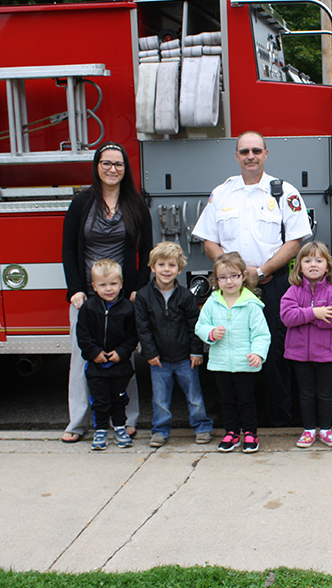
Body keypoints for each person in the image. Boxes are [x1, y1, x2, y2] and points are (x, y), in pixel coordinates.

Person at [191, 131, 312, 428]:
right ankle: (239, 424)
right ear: (236, 156)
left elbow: (295, 242)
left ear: (266, 153)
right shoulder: (222, 193)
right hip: (231, 291)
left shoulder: (284, 192)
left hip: (271, 287)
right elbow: (208, 241)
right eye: (244, 151)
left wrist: (260, 272)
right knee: (231, 354)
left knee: (273, 357)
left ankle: (278, 423)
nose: (250, 156)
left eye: (256, 150)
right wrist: (233, 273)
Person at [61, 142, 151, 443]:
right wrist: (75, 289)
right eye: (106, 163)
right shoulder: (81, 204)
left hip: (121, 297)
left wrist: (137, 289)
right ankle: (77, 423)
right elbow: (69, 248)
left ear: (126, 169)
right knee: (83, 360)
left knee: (124, 359)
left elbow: (145, 250)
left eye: (119, 164)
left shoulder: (136, 205)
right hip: (87, 297)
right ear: (97, 166)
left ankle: (125, 421)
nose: (113, 169)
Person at [135, 241, 214, 448]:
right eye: (161, 265)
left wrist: (196, 351)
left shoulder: (185, 296)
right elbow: (143, 328)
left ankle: (202, 427)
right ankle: (160, 431)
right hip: (158, 359)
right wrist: (150, 353)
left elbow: (194, 326)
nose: (166, 270)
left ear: (179, 269)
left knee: (194, 396)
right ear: (152, 267)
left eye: (171, 265)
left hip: (184, 358)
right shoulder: (144, 296)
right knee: (160, 399)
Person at [196, 252, 271, 453]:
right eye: (223, 277)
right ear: (217, 279)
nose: (229, 282)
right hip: (220, 363)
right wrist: (211, 333)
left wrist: (258, 353)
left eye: (234, 276)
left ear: (243, 276)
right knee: (226, 401)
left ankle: (250, 433)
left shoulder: (251, 304)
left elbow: (261, 334)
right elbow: (200, 326)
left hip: (245, 363)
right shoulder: (212, 302)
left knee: (246, 400)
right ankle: (231, 432)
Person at [280, 242, 332, 448]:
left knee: (326, 394)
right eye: (307, 261)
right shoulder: (293, 291)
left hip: (326, 353)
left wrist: (304, 315)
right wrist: (315, 313)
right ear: (299, 266)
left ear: (327, 266)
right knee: (305, 394)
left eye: (319, 260)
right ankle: (308, 430)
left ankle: (325, 430)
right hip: (299, 354)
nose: (313, 264)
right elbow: (287, 317)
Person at [76, 260, 138, 451]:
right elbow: (83, 334)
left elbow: (132, 335)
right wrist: (94, 353)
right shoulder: (88, 308)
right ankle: (101, 429)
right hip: (97, 365)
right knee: (100, 399)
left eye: (113, 284)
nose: (108, 289)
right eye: (102, 285)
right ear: (94, 286)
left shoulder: (128, 308)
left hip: (120, 364)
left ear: (121, 284)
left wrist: (121, 353)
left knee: (119, 397)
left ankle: (120, 427)